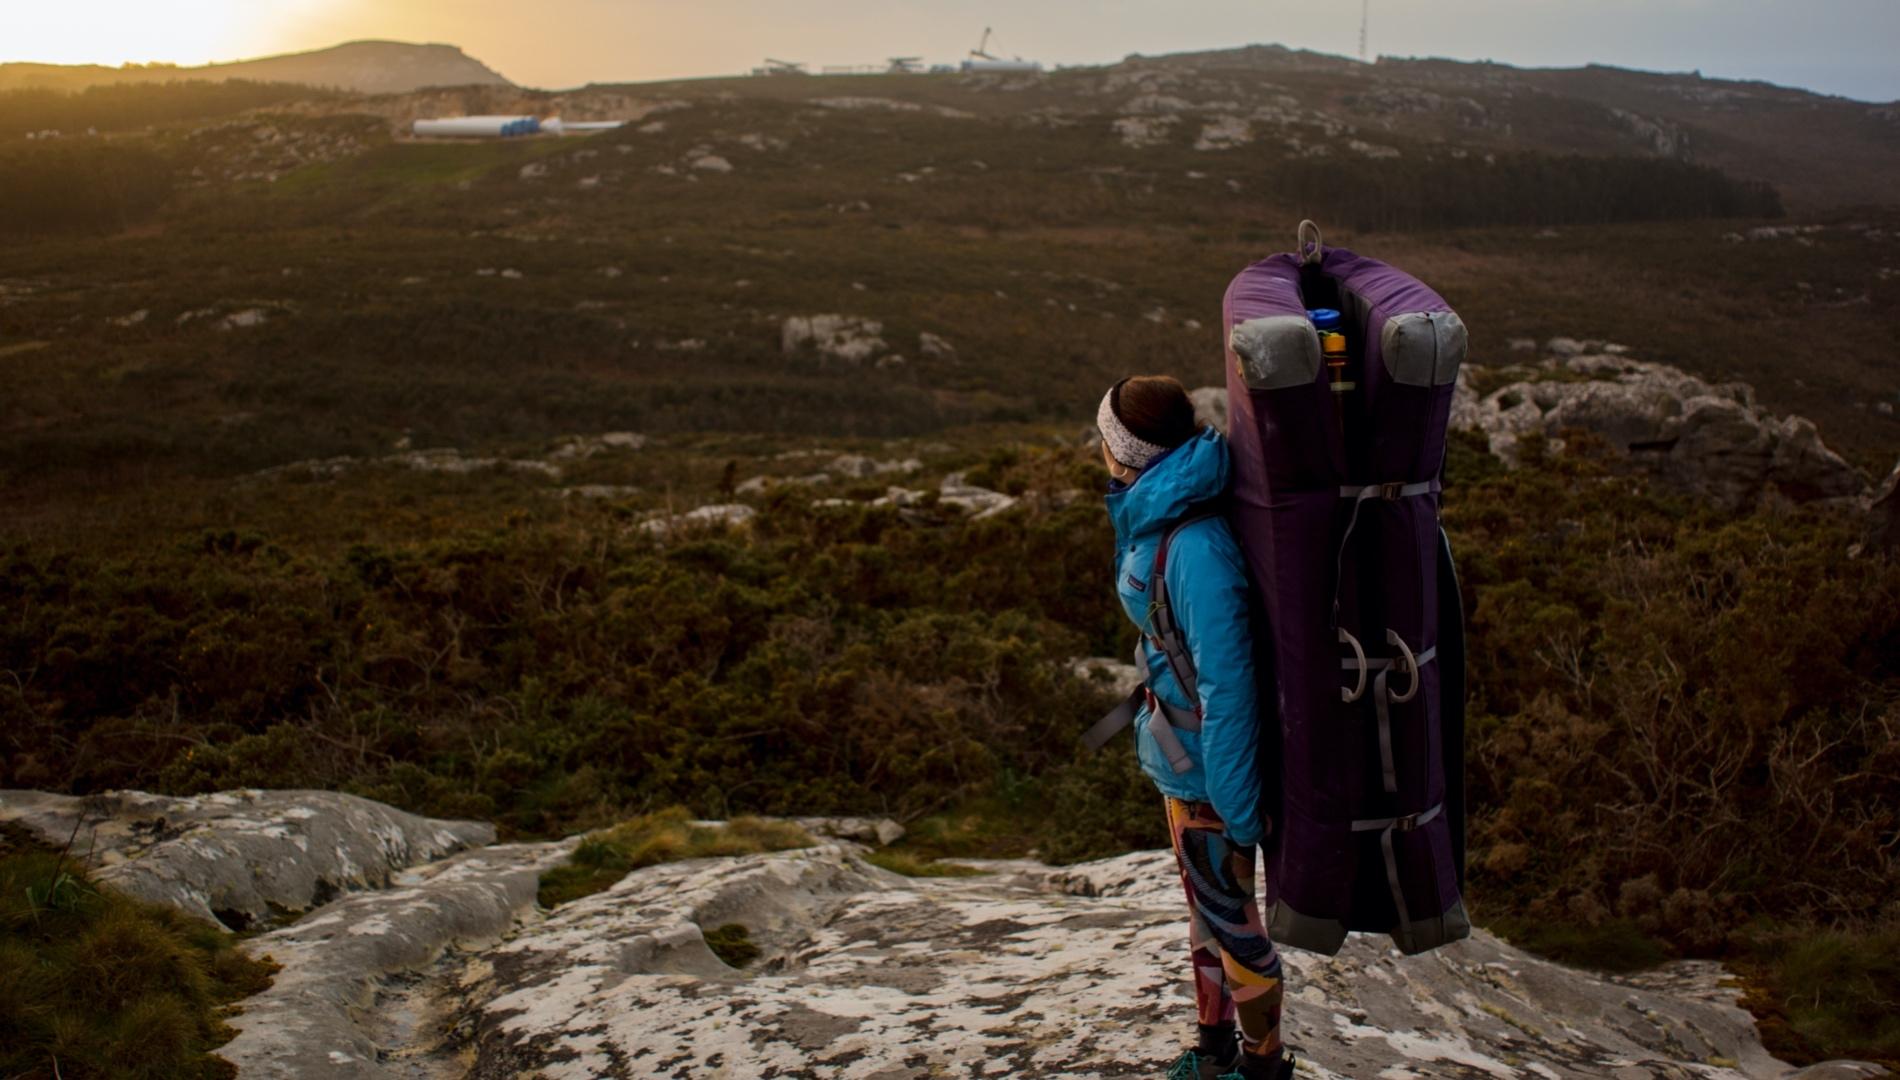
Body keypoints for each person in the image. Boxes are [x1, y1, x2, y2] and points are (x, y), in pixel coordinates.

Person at [1096, 376, 1295, 1080]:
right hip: (1183, 765)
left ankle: (1262, 1068)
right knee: (1207, 914)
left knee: (1236, 923)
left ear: (1129, 453)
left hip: (1212, 775)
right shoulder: (1162, 511)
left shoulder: (1195, 544)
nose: (1099, 451)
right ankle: (1213, 1053)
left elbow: (1229, 686)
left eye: (1105, 440)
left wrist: (1240, 810)